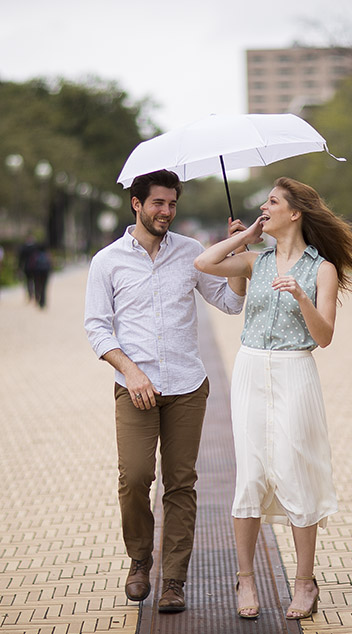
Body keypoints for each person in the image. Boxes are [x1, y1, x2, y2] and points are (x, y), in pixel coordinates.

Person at [194, 176, 352, 621]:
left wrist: (300, 297)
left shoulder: (321, 268)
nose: (264, 208)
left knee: (297, 471)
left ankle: (305, 582)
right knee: (250, 473)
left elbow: (325, 336)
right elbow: (204, 262)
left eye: (272, 203)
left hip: (296, 371)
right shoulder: (255, 259)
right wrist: (244, 237)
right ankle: (246, 578)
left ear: (295, 214)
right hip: (251, 369)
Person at [84, 169, 247, 613]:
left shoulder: (193, 252)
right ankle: (140, 559)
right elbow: (97, 328)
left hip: (187, 386)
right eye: (158, 203)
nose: (166, 212)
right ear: (136, 204)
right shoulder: (108, 261)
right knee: (135, 477)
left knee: (181, 484)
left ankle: (173, 580)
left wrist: (238, 256)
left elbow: (231, 303)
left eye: (172, 204)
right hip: (134, 387)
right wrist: (130, 372)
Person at [18, 234, 37, 303]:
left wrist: (19, 267)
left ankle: (30, 294)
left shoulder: (23, 247)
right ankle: (35, 294)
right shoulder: (35, 247)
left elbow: (20, 259)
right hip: (35, 266)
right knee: (34, 281)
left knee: (29, 281)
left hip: (27, 266)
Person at [31, 244, 52, 309]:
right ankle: (43, 302)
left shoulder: (36, 255)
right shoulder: (47, 255)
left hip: (37, 272)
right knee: (44, 287)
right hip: (45, 273)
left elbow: (32, 265)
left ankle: (37, 298)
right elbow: (50, 264)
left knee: (37, 286)